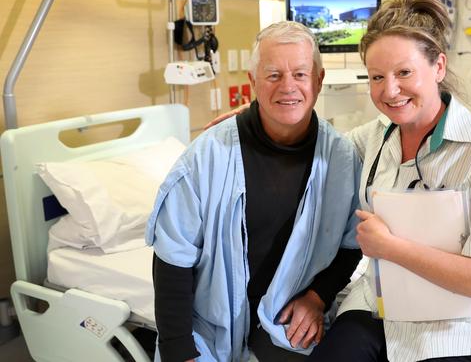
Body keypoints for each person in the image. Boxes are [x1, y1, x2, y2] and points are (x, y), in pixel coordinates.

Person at [206, 0, 471, 361]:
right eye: (377, 77)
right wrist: (260, 114)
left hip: (452, 326)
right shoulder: (372, 138)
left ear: (438, 67)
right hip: (377, 309)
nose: (389, 90)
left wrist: (391, 248)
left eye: (404, 73)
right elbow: (311, 139)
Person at [146, 21, 362, 362]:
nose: (287, 87)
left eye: (301, 75)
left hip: (287, 322)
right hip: (207, 327)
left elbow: (352, 245)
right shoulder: (207, 156)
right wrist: (178, 349)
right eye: (273, 75)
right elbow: (173, 258)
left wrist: (318, 297)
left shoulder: (341, 159)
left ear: (318, 81)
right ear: (253, 82)